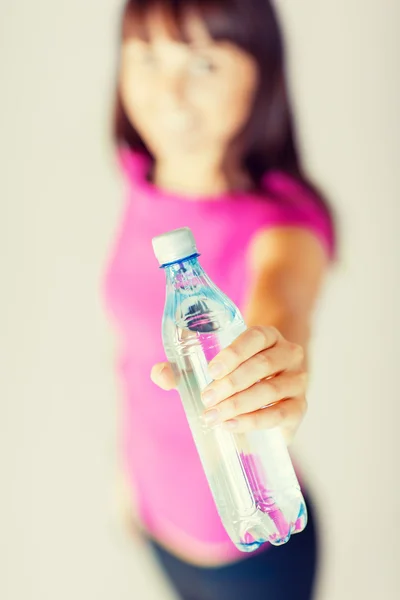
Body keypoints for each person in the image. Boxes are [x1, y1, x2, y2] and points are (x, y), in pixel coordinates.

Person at [104, 1, 336, 598]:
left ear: (260, 71)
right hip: (154, 525)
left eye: (205, 64)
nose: (170, 92)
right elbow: (132, 361)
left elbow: (282, 310)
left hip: (249, 554)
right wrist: (129, 483)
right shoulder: (140, 177)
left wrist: (273, 376)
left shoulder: (285, 227)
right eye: (149, 57)